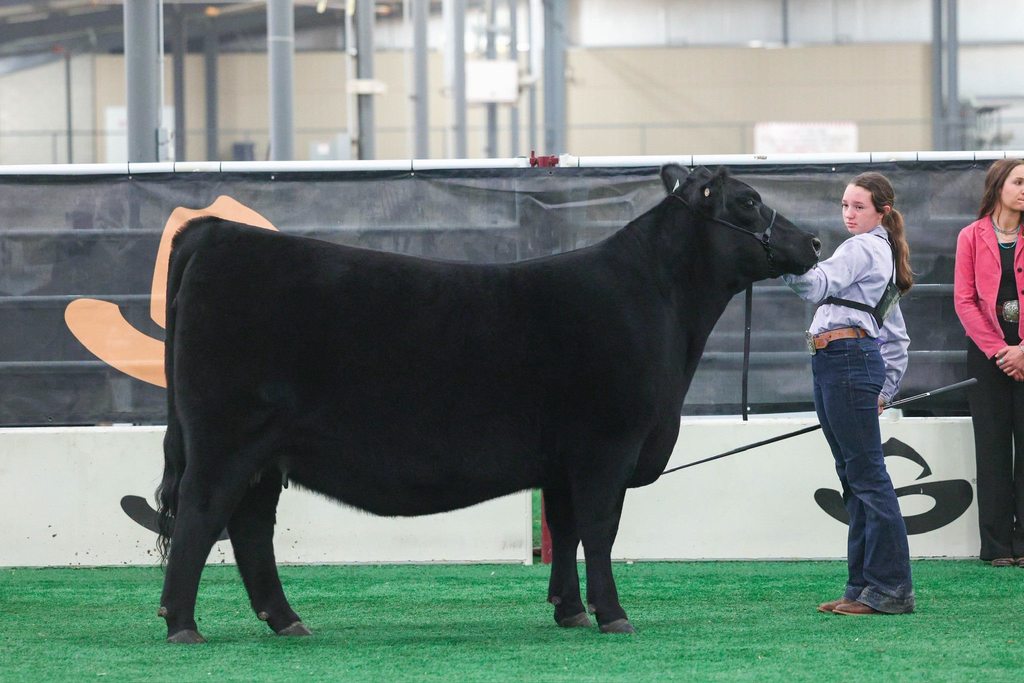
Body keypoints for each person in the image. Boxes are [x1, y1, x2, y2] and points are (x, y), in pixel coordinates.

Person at [783, 172, 915, 615]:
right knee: (857, 476)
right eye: (845, 205)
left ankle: (889, 589)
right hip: (846, 362)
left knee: (865, 477)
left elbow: (815, 286)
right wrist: (887, 389)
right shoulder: (884, 253)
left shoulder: (860, 248)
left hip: (843, 361)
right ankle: (862, 588)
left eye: (858, 206)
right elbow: (895, 337)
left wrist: (782, 259)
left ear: (882, 212)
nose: (849, 214)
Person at [953, 158, 1024, 568]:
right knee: (993, 447)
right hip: (987, 356)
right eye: (1017, 181)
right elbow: (964, 300)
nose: (1023, 189)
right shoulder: (970, 236)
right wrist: (1001, 350)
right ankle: (996, 546)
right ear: (998, 185)